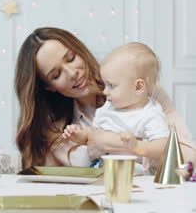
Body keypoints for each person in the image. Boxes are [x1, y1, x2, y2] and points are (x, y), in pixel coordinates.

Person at [14, 27, 196, 169]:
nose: (72, 73)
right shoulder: (55, 128)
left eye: (70, 58)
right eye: (56, 75)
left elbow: (190, 160)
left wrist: (110, 142)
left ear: (79, 50)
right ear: (48, 86)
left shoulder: (143, 93)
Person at [62, 43, 169, 172]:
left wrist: (137, 146)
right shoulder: (108, 108)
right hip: (101, 170)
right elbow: (93, 134)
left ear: (138, 87)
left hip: (132, 176)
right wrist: (80, 135)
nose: (105, 91)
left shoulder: (150, 114)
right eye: (105, 85)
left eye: (111, 86)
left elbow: (163, 147)